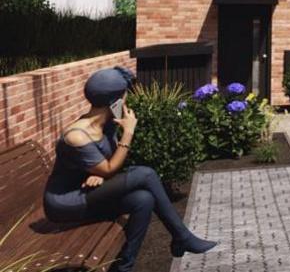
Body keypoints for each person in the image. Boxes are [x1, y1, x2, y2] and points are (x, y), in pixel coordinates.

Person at [43, 67, 216, 271]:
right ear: (114, 102)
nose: (126, 102)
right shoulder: (77, 135)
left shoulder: (105, 126)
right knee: (146, 173)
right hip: (65, 202)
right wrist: (128, 133)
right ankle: (182, 237)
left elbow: (111, 165)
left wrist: (96, 173)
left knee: (143, 200)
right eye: (124, 97)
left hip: (86, 191)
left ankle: (124, 267)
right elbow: (109, 168)